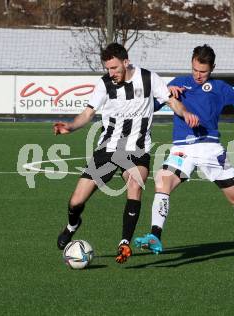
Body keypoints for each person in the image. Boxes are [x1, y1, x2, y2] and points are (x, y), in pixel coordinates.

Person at [54, 43, 199, 263]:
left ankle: (124, 243)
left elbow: (172, 102)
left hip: (138, 149)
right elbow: (87, 113)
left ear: (126, 61)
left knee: (135, 183)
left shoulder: (149, 78)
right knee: (75, 202)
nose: (111, 73)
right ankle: (73, 224)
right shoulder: (104, 84)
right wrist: (70, 127)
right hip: (108, 148)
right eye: (108, 68)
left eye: (114, 68)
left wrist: (185, 113)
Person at [134, 44, 234, 264]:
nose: (198, 75)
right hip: (183, 148)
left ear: (212, 68)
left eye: (203, 71)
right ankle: (155, 235)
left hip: (211, 148)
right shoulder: (178, 82)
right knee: (163, 180)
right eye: (195, 70)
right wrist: (167, 95)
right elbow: (151, 105)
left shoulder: (219, 88)